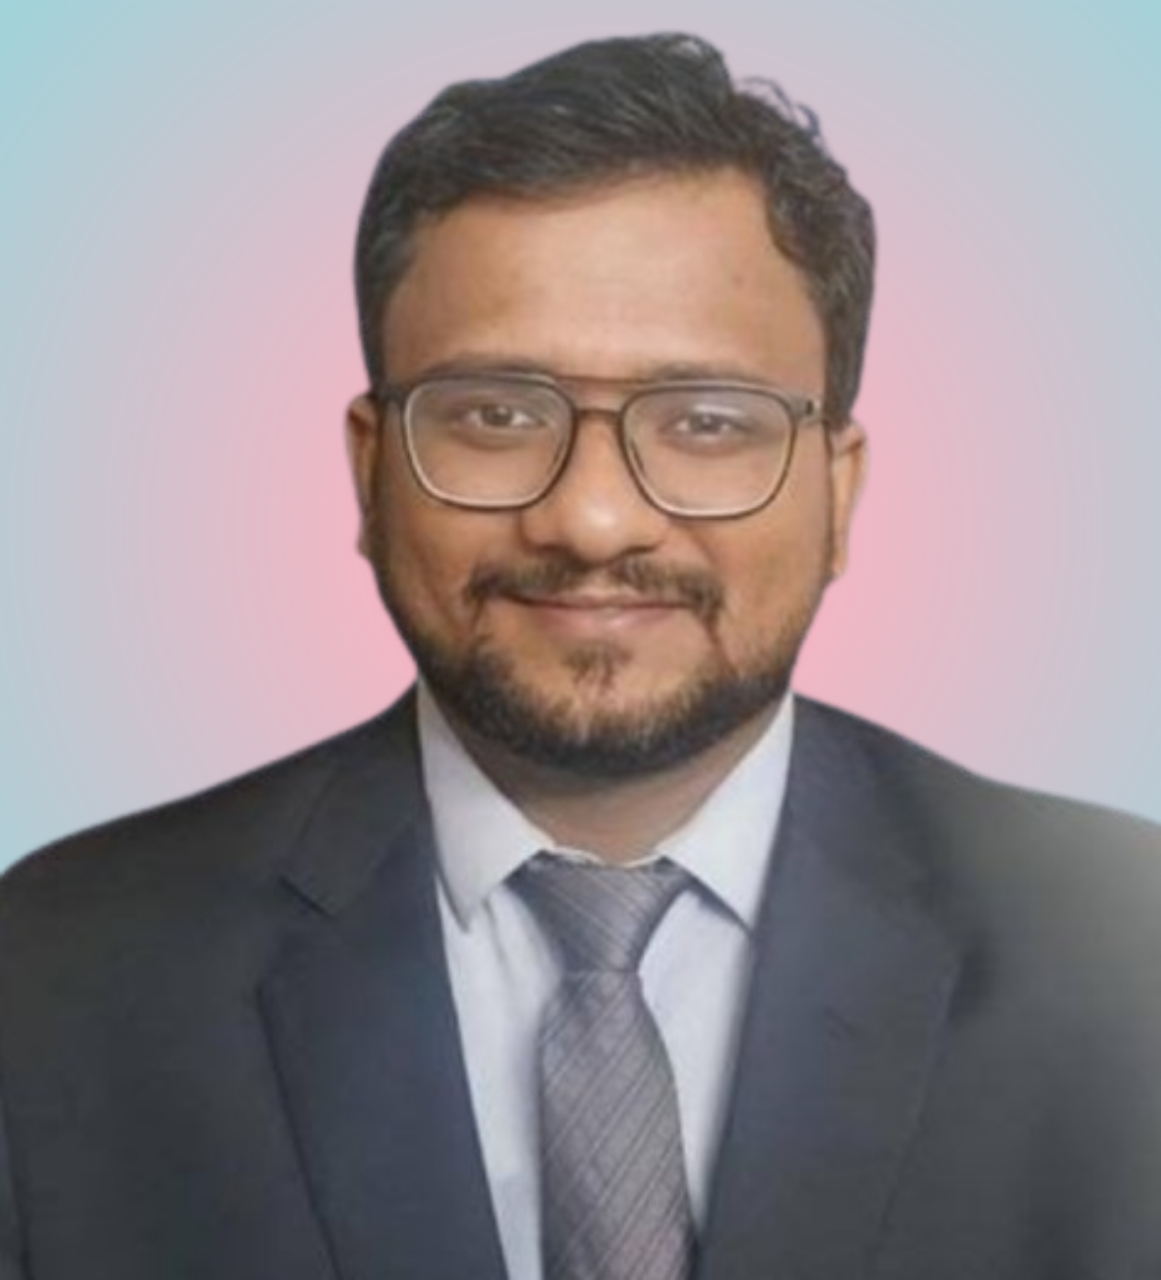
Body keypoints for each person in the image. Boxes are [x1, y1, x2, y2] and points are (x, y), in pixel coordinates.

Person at [1, 32, 1159, 1280]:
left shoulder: (1125, 953)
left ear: (839, 490)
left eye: (706, 420)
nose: (594, 519)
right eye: (496, 414)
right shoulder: (52, 975)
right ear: (370, 469)